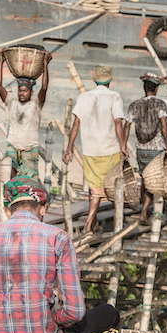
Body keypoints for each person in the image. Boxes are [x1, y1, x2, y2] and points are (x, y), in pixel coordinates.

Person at [0, 176, 121, 333]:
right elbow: (74, 312)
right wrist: (53, 316)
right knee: (110, 313)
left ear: (6, 210)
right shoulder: (58, 238)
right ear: (43, 207)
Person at [63, 65, 128, 235]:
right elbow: (118, 122)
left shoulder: (84, 97)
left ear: (94, 79)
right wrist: (122, 145)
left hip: (89, 150)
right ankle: (88, 226)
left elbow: (76, 124)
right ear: (109, 81)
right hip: (109, 149)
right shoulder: (115, 96)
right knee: (103, 189)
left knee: (95, 188)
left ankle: (95, 223)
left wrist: (69, 148)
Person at [123, 72, 167, 224]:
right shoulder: (160, 104)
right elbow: (164, 125)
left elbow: (126, 126)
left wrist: (123, 146)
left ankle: (145, 208)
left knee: (145, 179)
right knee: (154, 181)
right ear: (156, 88)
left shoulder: (134, 104)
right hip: (156, 149)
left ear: (144, 87)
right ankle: (145, 212)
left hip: (140, 149)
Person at [0, 51, 51, 179]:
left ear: (31, 93)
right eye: (20, 90)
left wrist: (45, 65)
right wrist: (0, 62)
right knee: (10, 180)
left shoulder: (36, 104)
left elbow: (44, 88)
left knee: (29, 182)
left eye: (25, 91)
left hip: (30, 149)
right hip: (13, 148)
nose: (21, 93)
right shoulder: (12, 102)